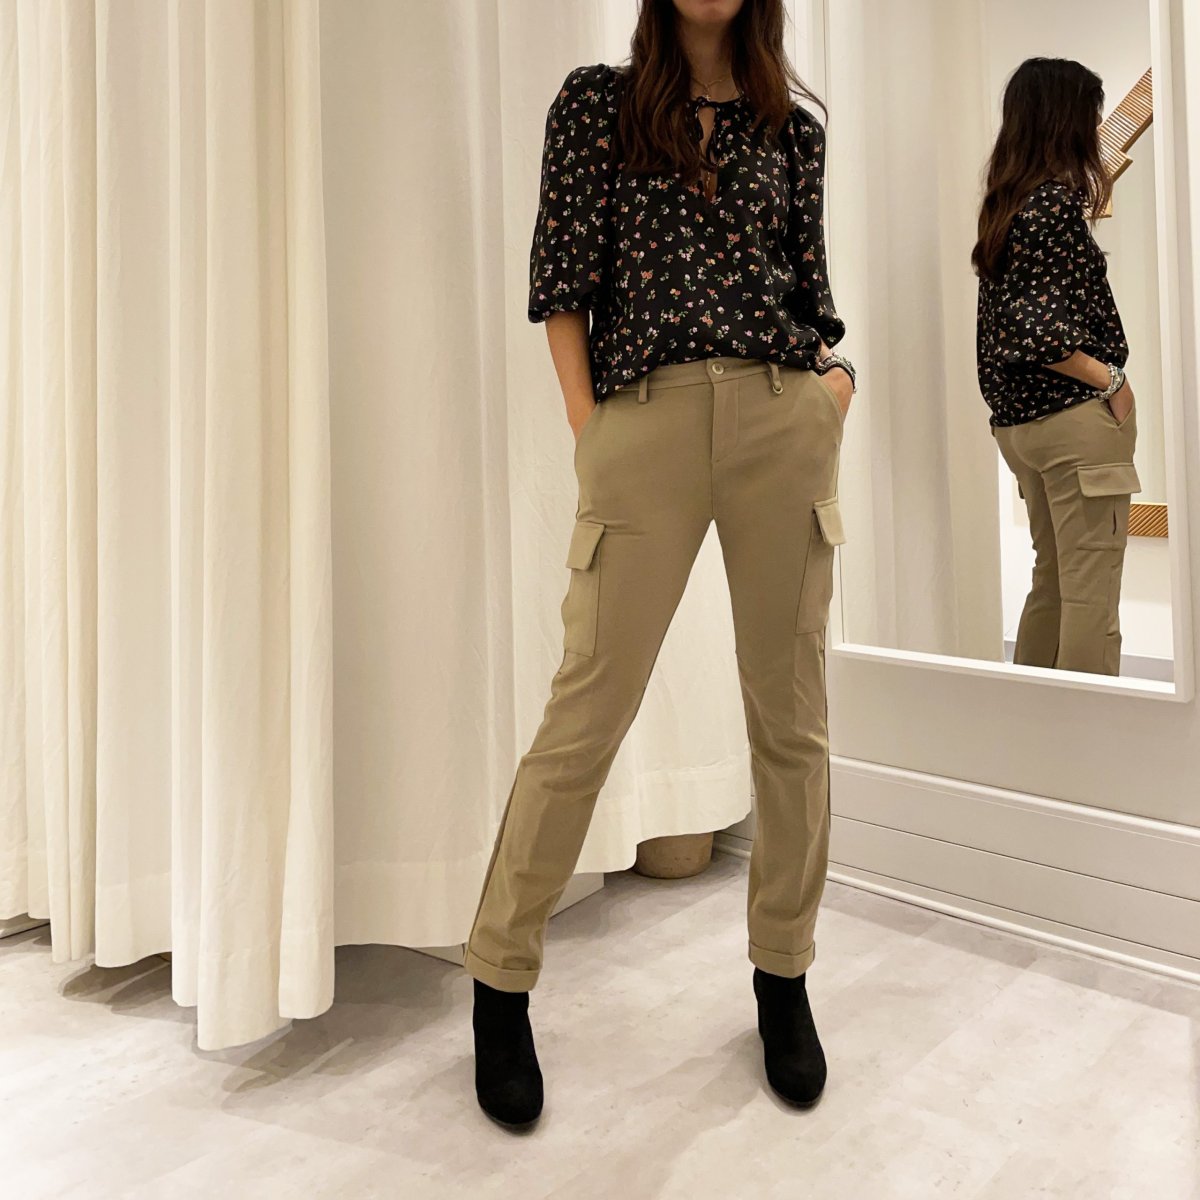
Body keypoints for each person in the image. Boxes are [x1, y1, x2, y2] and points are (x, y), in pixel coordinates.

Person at [466, 0, 856, 1129]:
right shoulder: (598, 104)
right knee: (587, 709)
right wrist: (591, 429)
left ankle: (783, 976)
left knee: (791, 716)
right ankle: (499, 981)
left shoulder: (793, 130)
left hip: (783, 418)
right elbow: (562, 283)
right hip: (645, 420)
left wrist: (831, 396)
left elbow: (812, 293)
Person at [974, 57, 1140, 676]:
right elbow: (1039, 332)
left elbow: (1011, 326)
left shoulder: (1006, 206)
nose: (1094, 128)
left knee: (1052, 582)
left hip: (1020, 426)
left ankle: (1032, 726)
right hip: (1073, 424)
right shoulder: (1054, 205)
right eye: (1089, 114)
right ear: (1064, 120)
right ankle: (1089, 734)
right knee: (1092, 596)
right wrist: (1111, 381)